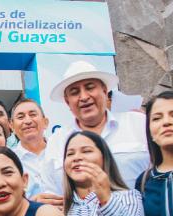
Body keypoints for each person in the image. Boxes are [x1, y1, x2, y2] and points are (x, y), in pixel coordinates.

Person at [41, 60, 150, 202]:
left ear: (105, 91)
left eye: (90, 87)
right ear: (67, 102)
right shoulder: (57, 141)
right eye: (75, 92)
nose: (84, 97)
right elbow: (52, 194)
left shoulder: (139, 123)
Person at [10, 98, 49, 199]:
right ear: (12, 126)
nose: (27, 121)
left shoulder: (62, 150)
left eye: (32, 115)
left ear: (45, 122)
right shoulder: (9, 160)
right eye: (20, 117)